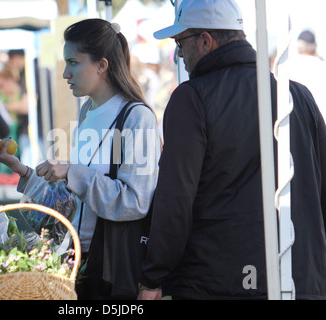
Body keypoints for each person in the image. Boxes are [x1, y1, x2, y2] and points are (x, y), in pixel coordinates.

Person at [138, 0, 326, 300]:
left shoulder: (192, 98)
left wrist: (152, 277)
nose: (179, 53)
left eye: (180, 42)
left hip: (220, 280)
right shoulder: (297, 95)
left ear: (204, 40)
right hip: (300, 276)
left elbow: (175, 198)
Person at [0, 18, 161, 299]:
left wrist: (73, 171)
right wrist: (21, 170)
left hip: (113, 273)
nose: (65, 73)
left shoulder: (137, 117)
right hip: (78, 263)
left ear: (101, 65)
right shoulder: (88, 111)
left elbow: (135, 202)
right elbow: (73, 200)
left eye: (73, 63)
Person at [285, 30, 326, 118]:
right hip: (320, 123)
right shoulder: (322, 66)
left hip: (294, 123)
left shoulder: (286, 66)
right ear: (314, 46)